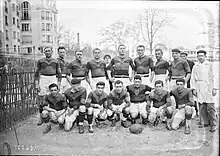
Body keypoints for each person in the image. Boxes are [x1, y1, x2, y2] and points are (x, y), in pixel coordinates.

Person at [190, 50, 218, 132]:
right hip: (199, 85)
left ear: (205, 56)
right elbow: (192, 78)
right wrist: (193, 88)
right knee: (201, 105)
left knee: (210, 106)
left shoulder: (210, 65)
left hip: (208, 85)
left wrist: (214, 88)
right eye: (198, 56)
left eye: (202, 56)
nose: (200, 57)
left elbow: (214, 77)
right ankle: (204, 122)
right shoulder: (196, 66)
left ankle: (213, 124)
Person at [34, 47, 62, 126]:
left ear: (52, 52)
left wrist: (59, 83)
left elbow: (59, 73)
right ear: (44, 52)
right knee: (42, 98)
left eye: (49, 51)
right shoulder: (40, 61)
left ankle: (53, 116)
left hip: (53, 78)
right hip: (43, 79)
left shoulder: (56, 61)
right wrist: (37, 83)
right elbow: (36, 73)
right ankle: (41, 116)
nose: (48, 52)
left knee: (54, 96)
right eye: (46, 51)